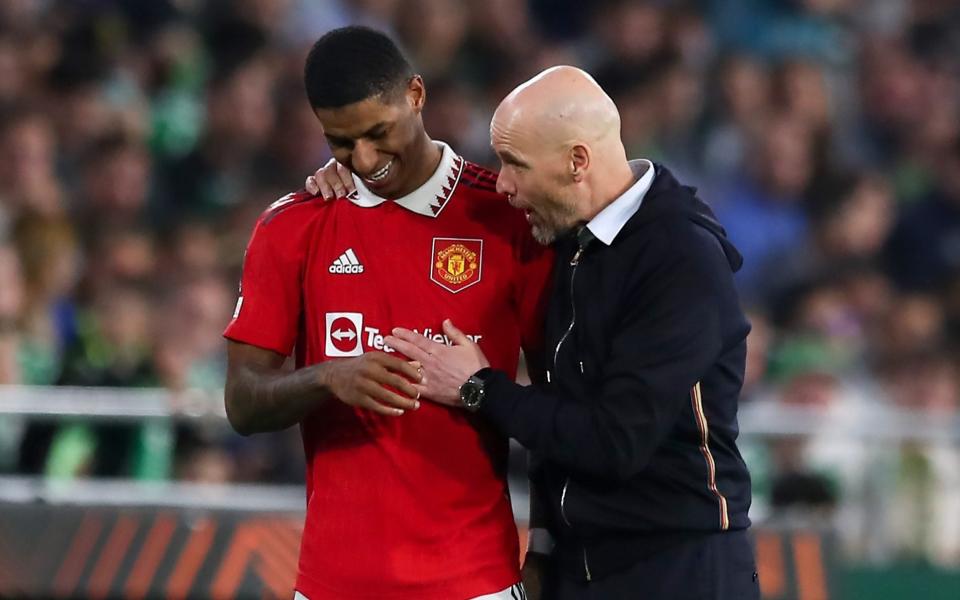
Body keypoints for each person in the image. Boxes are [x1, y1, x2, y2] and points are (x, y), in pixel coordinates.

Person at [383, 66, 759, 600]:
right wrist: (346, 176)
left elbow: (614, 441)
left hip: (678, 569)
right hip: (579, 568)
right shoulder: (567, 238)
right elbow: (558, 405)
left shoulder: (679, 259)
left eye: (514, 163)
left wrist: (478, 388)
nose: (504, 184)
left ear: (576, 161)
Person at [222, 27, 553, 600]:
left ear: (416, 95)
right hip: (334, 584)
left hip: (476, 581)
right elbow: (243, 402)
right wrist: (328, 375)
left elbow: (561, 400)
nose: (367, 159)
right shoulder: (293, 226)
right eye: (342, 143)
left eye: (379, 133)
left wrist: (547, 550)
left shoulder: (505, 219)